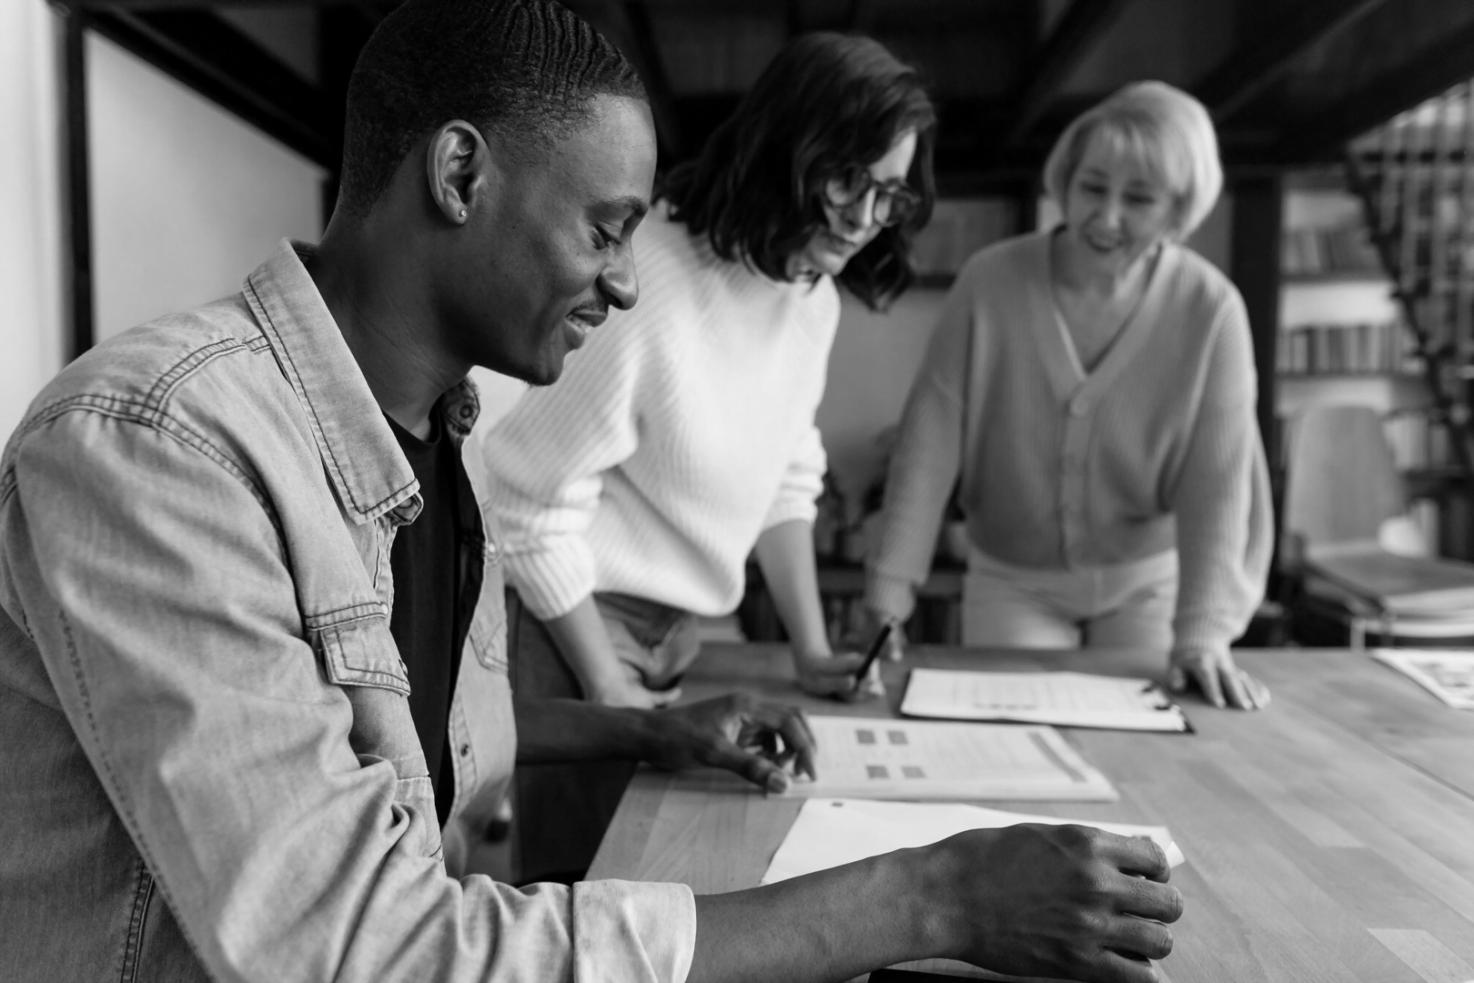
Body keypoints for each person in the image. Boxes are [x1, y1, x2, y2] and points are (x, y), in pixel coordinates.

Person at [0, 3, 1182, 980]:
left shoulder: (445, 437)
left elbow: (432, 737)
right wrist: (933, 895)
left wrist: (649, 725)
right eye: (607, 231)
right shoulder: (159, 447)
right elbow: (350, 944)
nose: (624, 284)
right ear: (461, 173)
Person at [470, 30, 936, 880]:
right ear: (788, 151)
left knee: (657, 877)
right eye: (848, 179)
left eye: (890, 194)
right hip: (575, 625)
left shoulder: (811, 297)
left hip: (681, 632)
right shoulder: (651, 278)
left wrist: (810, 649)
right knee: (578, 893)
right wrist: (608, 687)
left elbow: (788, 473)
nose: (866, 218)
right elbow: (525, 500)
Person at [865, 80, 1274, 711]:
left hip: (1146, 583)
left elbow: (1217, 482)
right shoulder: (990, 282)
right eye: (1092, 188)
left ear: (1178, 210)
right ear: (1065, 181)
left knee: (1151, 750)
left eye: (1138, 199)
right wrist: (889, 590)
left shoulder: (1211, 308)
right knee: (1008, 743)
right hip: (1013, 579)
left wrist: (1203, 632)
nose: (1105, 218)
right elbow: (930, 441)